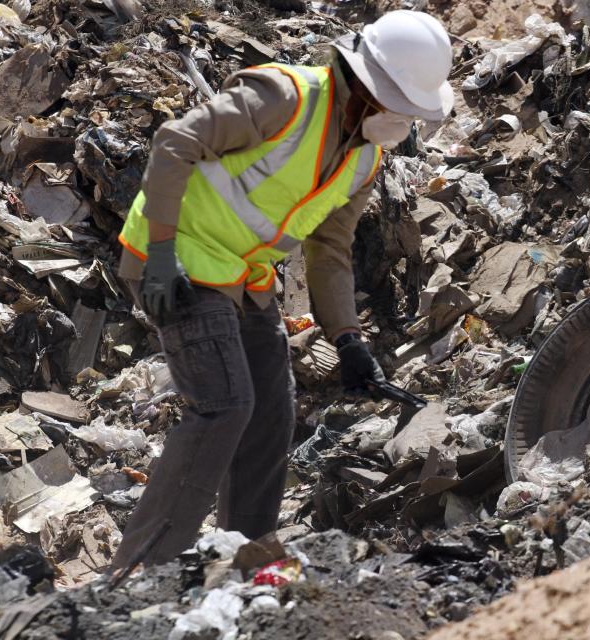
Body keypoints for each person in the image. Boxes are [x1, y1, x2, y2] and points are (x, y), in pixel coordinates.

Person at [111, 10, 455, 568]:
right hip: (179, 262)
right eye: (403, 107)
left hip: (244, 280)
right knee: (224, 406)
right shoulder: (284, 97)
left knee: (272, 412)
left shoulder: (363, 159)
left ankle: (247, 565)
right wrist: (161, 252)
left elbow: (329, 250)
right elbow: (175, 142)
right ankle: (136, 575)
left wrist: (347, 339)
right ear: (371, 89)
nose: (406, 123)